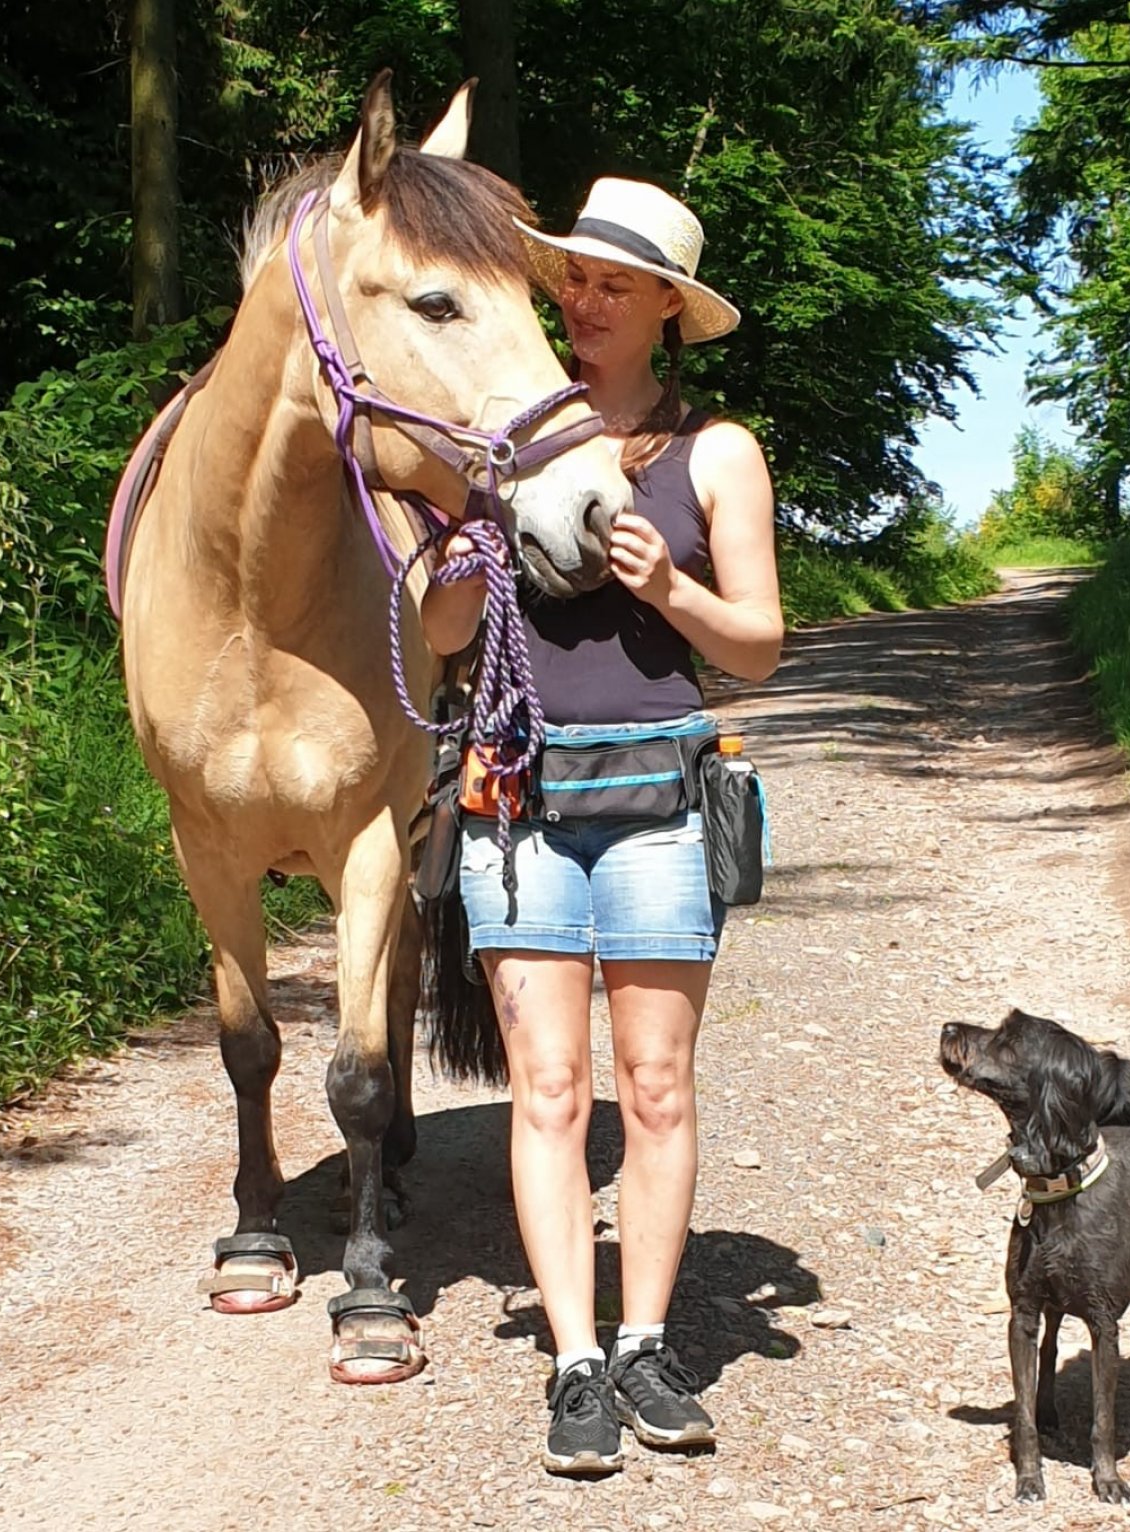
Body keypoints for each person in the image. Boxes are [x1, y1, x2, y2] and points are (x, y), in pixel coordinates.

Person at [421, 177, 782, 1475]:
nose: (583, 300)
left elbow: (760, 646)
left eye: (612, 284)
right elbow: (445, 641)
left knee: (663, 1088)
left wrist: (670, 584)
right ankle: (576, 1360)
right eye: (573, 277)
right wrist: (458, 554)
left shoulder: (716, 454)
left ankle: (646, 1345)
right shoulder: (502, 440)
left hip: (655, 808)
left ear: (669, 311)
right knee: (554, 1090)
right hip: (515, 805)